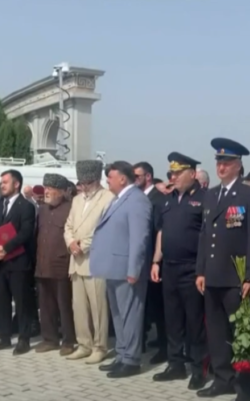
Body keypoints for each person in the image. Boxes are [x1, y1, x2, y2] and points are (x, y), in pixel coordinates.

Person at [196, 137, 250, 400]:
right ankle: (223, 378)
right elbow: (205, 235)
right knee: (216, 333)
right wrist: (200, 271)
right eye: (218, 162)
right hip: (213, 276)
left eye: (227, 162)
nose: (221, 167)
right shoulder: (212, 194)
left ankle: (248, 388)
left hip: (237, 279)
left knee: (244, 333)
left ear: (239, 165)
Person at [150, 152, 208, 390]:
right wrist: (156, 262)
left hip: (192, 269)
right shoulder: (168, 199)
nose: (172, 177)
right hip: (170, 268)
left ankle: (198, 369)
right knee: (173, 320)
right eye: (170, 173)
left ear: (192, 174)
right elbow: (162, 233)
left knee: (195, 323)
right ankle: (175, 365)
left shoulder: (205, 199)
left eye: (177, 173)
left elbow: (208, 238)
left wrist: (202, 271)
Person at [91, 161, 152, 379]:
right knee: (118, 316)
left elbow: (139, 238)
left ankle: (132, 360)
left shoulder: (137, 200)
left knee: (130, 315)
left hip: (127, 270)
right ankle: (121, 354)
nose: (107, 180)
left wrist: (134, 269)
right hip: (113, 268)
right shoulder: (118, 199)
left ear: (123, 179)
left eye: (111, 177)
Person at [64, 160, 115, 364]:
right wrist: (70, 243)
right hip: (75, 260)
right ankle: (83, 344)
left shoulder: (108, 198)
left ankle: (100, 346)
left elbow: (103, 230)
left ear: (96, 180)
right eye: (81, 183)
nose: (83, 187)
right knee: (79, 308)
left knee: (98, 307)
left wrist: (82, 245)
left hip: (95, 259)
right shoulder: (76, 200)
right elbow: (68, 225)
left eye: (86, 182)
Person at [0, 169, 36, 354]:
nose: (2, 185)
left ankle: (24, 339)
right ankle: (4, 337)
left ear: (17, 184)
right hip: (0, 262)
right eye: (1, 181)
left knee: (21, 303)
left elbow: (25, 232)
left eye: (5, 181)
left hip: (19, 262)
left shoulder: (26, 206)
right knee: (1, 301)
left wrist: (5, 248)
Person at [34, 173, 76, 356]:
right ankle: (49, 339)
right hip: (43, 265)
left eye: (51, 188)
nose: (47, 192)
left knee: (64, 306)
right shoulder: (42, 210)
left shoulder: (70, 208)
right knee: (46, 305)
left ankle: (68, 341)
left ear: (61, 191)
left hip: (61, 265)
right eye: (46, 188)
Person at [134, 161, 168, 363]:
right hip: (141, 262)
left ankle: (164, 348)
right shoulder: (138, 198)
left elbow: (158, 232)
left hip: (155, 263)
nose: (133, 179)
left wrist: (155, 260)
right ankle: (145, 341)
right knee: (146, 307)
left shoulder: (157, 200)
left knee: (159, 308)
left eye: (137, 176)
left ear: (148, 177)